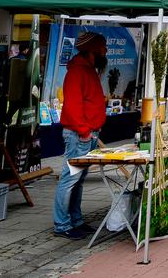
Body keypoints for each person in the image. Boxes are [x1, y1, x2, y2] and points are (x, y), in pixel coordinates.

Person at [53, 31, 107, 239]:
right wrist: (84, 131)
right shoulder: (77, 72)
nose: (106, 51)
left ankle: (75, 220)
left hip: (88, 133)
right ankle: (62, 224)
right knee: (70, 180)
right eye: (103, 47)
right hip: (79, 135)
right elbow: (73, 106)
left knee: (78, 180)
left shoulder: (88, 70)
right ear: (92, 50)